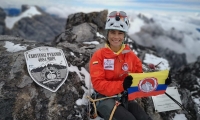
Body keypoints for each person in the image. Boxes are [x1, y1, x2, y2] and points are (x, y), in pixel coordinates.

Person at [89, 11, 153, 120]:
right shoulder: (99, 56)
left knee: (144, 118)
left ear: (124, 35)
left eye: (120, 33)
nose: (116, 37)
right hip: (104, 98)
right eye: (113, 32)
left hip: (124, 96)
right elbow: (98, 84)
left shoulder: (130, 56)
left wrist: (159, 81)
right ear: (107, 34)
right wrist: (122, 85)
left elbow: (139, 79)